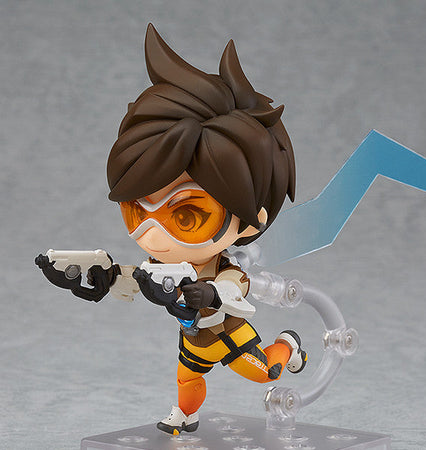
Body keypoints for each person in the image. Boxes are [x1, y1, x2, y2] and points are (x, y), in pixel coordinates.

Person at [37, 24, 307, 435]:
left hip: (230, 335)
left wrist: (210, 293)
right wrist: (104, 277)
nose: (152, 233)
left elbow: (234, 290)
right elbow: (141, 278)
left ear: (252, 218)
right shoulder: (160, 260)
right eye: (136, 210)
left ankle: (289, 343)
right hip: (194, 339)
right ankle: (186, 414)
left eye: (186, 217)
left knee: (266, 372)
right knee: (187, 379)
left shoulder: (227, 271)